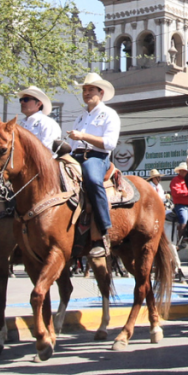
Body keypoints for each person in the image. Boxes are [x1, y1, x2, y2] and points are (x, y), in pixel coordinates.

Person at [67, 73, 121, 258]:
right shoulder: (81, 117)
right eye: (84, 90)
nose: (87, 93)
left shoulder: (110, 114)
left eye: (91, 90)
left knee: (92, 179)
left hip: (97, 157)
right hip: (75, 156)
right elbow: (73, 145)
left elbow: (109, 143)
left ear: (101, 93)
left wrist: (83, 136)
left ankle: (103, 231)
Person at [17, 86, 61, 152]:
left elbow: (48, 151)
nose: (22, 102)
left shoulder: (48, 123)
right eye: (21, 100)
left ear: (38, 104)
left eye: (26, 99)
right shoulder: (21, 124)